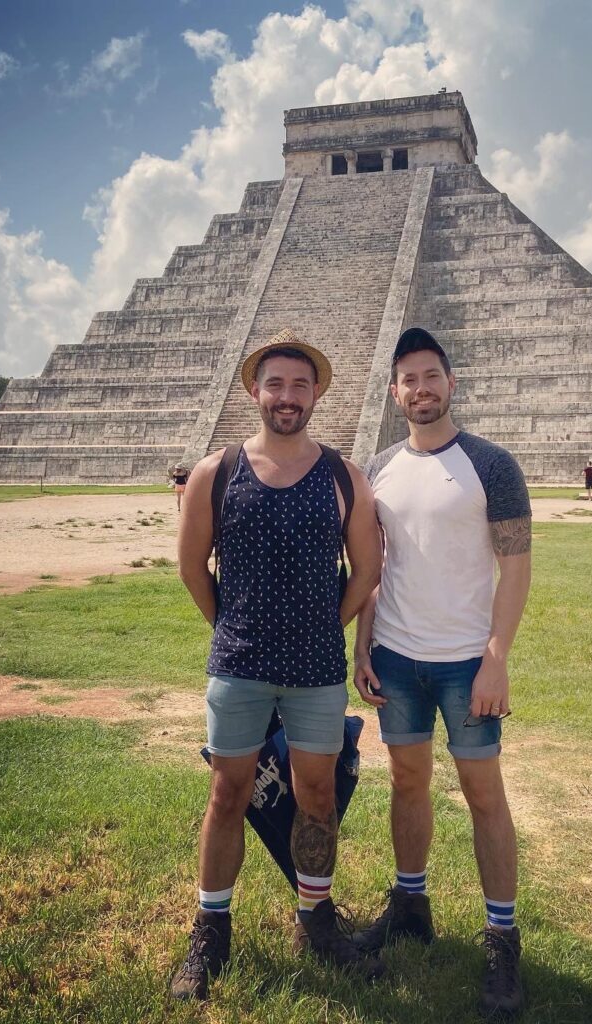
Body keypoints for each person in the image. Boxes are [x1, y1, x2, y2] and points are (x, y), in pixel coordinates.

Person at [170, 330, 384, 1002]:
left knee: (316, 797)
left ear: (316, 393)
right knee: (226, 794)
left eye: (299, 385)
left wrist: (330, 626)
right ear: (255, 392)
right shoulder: (217, 471)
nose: (287, 397)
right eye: (275, 385)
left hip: (316, 669)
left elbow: (368, 568)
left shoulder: (343, 475)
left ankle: (315, 919)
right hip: (240, 664)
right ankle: (212, 929)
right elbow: (191, 566)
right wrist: (230, 626)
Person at [353, 327, 532, 1018]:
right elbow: (375, 569)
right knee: (406, 780)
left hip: (466, 664)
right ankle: (410, 902)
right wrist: (363, 647)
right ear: (395, 391)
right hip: (397, 656)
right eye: (409, 380)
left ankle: (501, 937)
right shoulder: (380, 468)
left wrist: (496, 657)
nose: (421, 389)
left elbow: (515, 566)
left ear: (451, 383)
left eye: (432, 376)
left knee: (484, 793)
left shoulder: (492, 464)